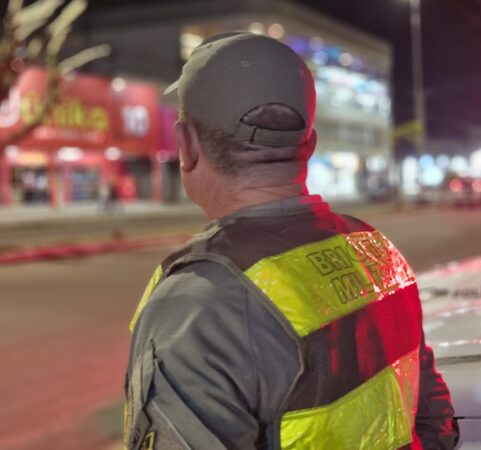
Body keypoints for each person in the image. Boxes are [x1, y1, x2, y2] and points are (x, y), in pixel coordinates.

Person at [124, 32, 456, 450]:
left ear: (186, 146)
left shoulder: (199, 303)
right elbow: (434, 418)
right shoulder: (376, 252)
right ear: (310, 145)